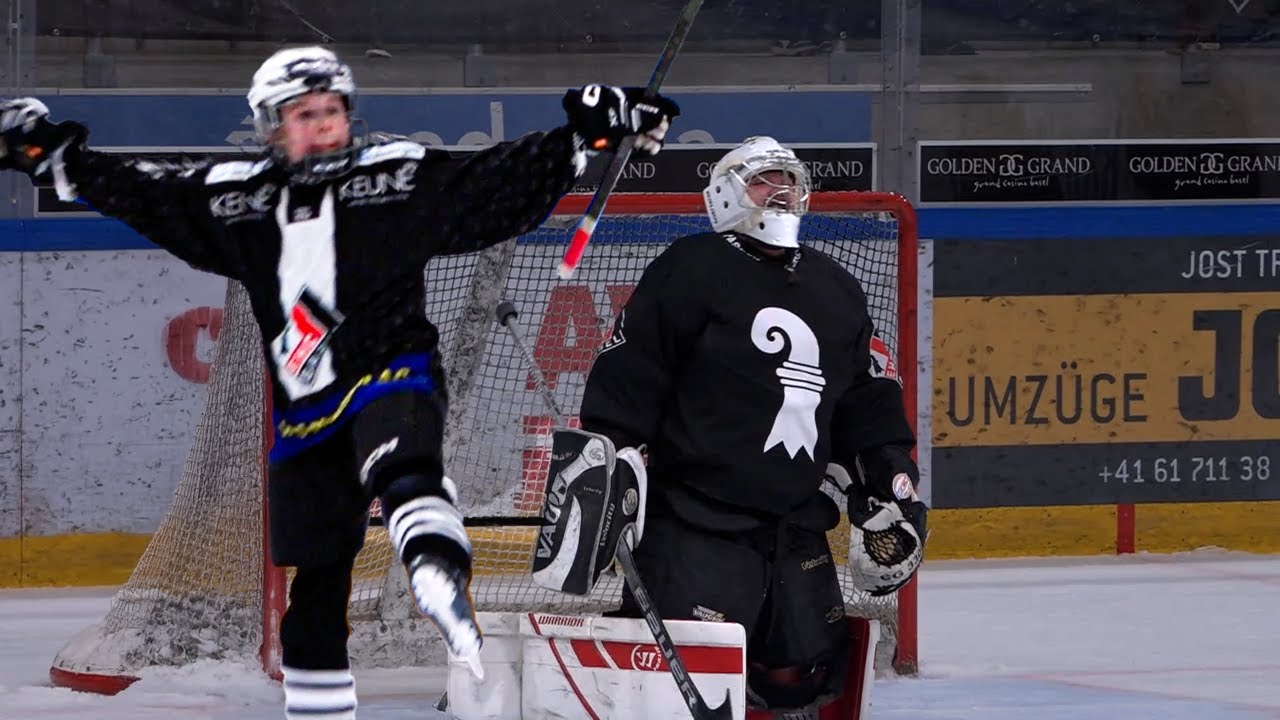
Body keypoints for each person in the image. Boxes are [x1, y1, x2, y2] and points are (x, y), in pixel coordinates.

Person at [0, 46, 678, 720]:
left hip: (392, 372)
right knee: (317, 588)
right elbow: (147, 192)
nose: (321, 124)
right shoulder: (234, 198)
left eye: (331, 111)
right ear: (271, 124)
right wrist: (50, 154)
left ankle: (435, 562)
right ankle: (321, 709)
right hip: (303, 415)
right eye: (303, 114)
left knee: (404, 459)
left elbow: (488, 182)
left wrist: (581, 137)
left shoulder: (394, 177)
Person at [542, 136, 927, 716]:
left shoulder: (834, 285)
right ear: (725, 194)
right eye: (763, 181)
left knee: (798, 677)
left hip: (797, 523)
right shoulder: (690, 267)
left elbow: (865, 397)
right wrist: (611, 455)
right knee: (681, 685)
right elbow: (631, 373)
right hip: (696, 522)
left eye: (790, 181)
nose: (782, 192)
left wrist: (888, 475)